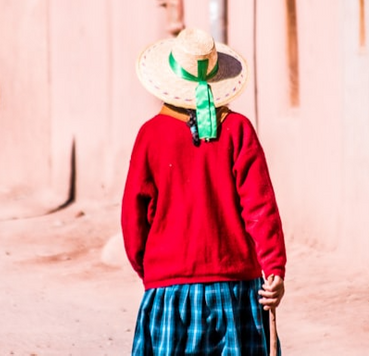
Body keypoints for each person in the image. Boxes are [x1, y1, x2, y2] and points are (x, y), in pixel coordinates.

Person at [122, 28, 287, 355]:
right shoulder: (238, 130)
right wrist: (274, 269)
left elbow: (133, 219)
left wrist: (154, 270)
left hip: (171, 293)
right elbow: (260, 206)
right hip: (235, 288)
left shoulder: (150, 136)